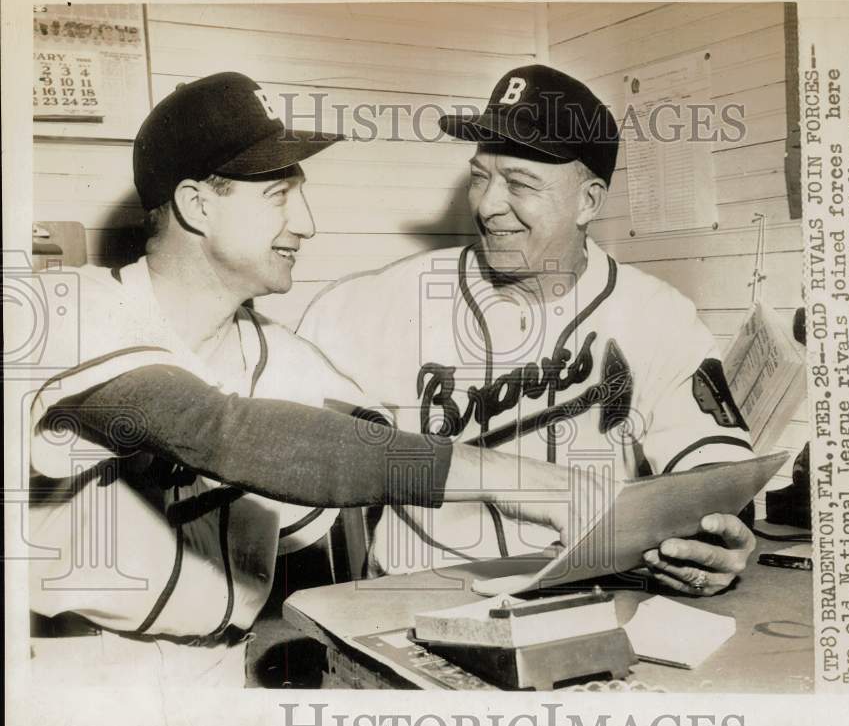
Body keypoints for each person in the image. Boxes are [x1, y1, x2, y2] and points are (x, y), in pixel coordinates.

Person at [27, 71, 599, 687]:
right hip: (78, 673)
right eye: (279, 194)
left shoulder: (283, 355)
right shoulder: (65, 311)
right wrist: (539, 484)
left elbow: (373, 449)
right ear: (197, 205)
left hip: (221, 672)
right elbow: (220, 430)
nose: (307, 223)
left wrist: (628, 524)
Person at [298, 64, 757, 596]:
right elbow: (278, 435)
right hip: (414, 595)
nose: (489, 206)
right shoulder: (378, 302)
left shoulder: (657, 316)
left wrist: (717, 541)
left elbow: (714, 469)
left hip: (594, 591)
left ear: (588, 201)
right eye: (480, 176)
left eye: (519, 183)